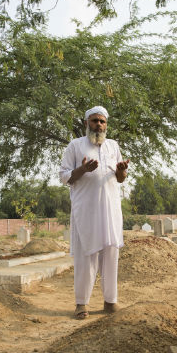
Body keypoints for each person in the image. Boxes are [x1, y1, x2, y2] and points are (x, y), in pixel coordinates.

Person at [59, 106, 129, 319]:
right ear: (86, 123)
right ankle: (82, 304)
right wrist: (83, 170)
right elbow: (64, 177)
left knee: (110, 255)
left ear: (106, 125)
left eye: (102, 121)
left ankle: (110, 301)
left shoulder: (113, 145)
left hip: (110, 210)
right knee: (85, 257)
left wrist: (121, 170)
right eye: (94, 121)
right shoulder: (75, 146)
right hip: (86, 212)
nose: (99, 124)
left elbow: (121, 178)